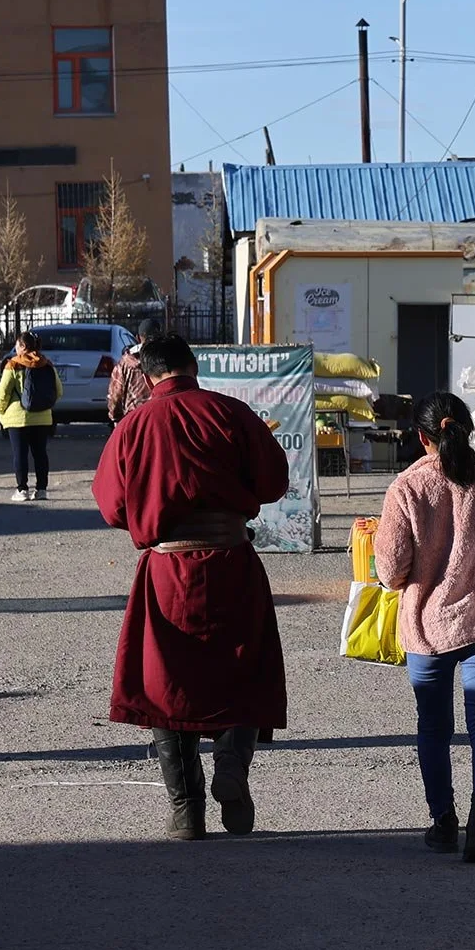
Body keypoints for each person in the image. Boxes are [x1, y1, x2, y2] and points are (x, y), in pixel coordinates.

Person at [93, 334, 289, 840]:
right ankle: (230, 761)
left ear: (147, 374)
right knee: (242, 668)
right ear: (192, 365)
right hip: (232, 561)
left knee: (165, 684)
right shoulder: (232, 413)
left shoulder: (134, 425)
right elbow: (273, 481)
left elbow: (112, 505)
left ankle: (186, 811)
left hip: (167, 570)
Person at [373, 392, 475, 864]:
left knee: (433, 726)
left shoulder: (405, 488)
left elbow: (390, 571)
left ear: (422, 437)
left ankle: (443, 822)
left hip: (427, 627)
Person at [0, 330, 59, 502]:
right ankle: (42, 490)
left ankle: (22, 490)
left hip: (17, 418)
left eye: (17, 344)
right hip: (43, 417)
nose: (15, 348)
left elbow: (3, 392)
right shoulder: (47, 364)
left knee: (20, 454)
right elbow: (58, 391)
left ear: (23, 346)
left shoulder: (13, 365)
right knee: (40, 454)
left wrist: (1, 411)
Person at [106, 320, 166, 423]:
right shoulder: (167, 360)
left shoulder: (125, 363)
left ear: (138, 338)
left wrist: (115, 416)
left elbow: (115, 395)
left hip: (133, 419)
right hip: (160, 419)